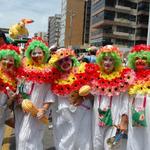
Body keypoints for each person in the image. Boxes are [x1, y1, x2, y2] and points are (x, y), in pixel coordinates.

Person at [91, 45, 135, 150]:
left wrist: (124, 121)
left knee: (111, 146)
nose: (107, 62)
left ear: (115, 62)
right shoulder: (95, 77)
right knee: (96, 145)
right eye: (105, 59)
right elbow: (90, 96)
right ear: (101, 61)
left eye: (111, 60)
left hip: (115, 118)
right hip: (97, 118)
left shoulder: (122, 79)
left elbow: (125, 101)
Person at [49, 48, 93, 150]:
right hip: (64, 115)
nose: (64, 63)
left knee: (83, 139)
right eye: (61, 61)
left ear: (72, 60)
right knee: (65, 139)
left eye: (67, 59)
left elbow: (93, 92)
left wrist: (83, 97)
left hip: (83, 112)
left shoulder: (83, 73)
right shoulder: (54, 78)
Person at [17, 37, 55, 150]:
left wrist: (44, 109)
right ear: (29, 54)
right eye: (34, 53)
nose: (37, 55)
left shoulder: (48, 72)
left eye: (39, 52)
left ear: (44, 54)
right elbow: (21, 88)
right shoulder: (25, 69)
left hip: (39, 110)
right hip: (24, 109)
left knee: (30, 137)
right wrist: (21, 101)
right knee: (25, 137)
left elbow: (50, 93)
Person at [127, 44, 150, 150]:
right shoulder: (129, 77)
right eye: (137, 58)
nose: (140, 61)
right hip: (134, 115)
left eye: (144, 58)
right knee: (134, 139)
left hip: (148, 115)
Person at [0, 44, 21, 149]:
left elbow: (8, 103)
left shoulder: (13, 79)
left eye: (11, 61)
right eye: (4, 59)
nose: (7, 62)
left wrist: (12, 98)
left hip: (2, 114)